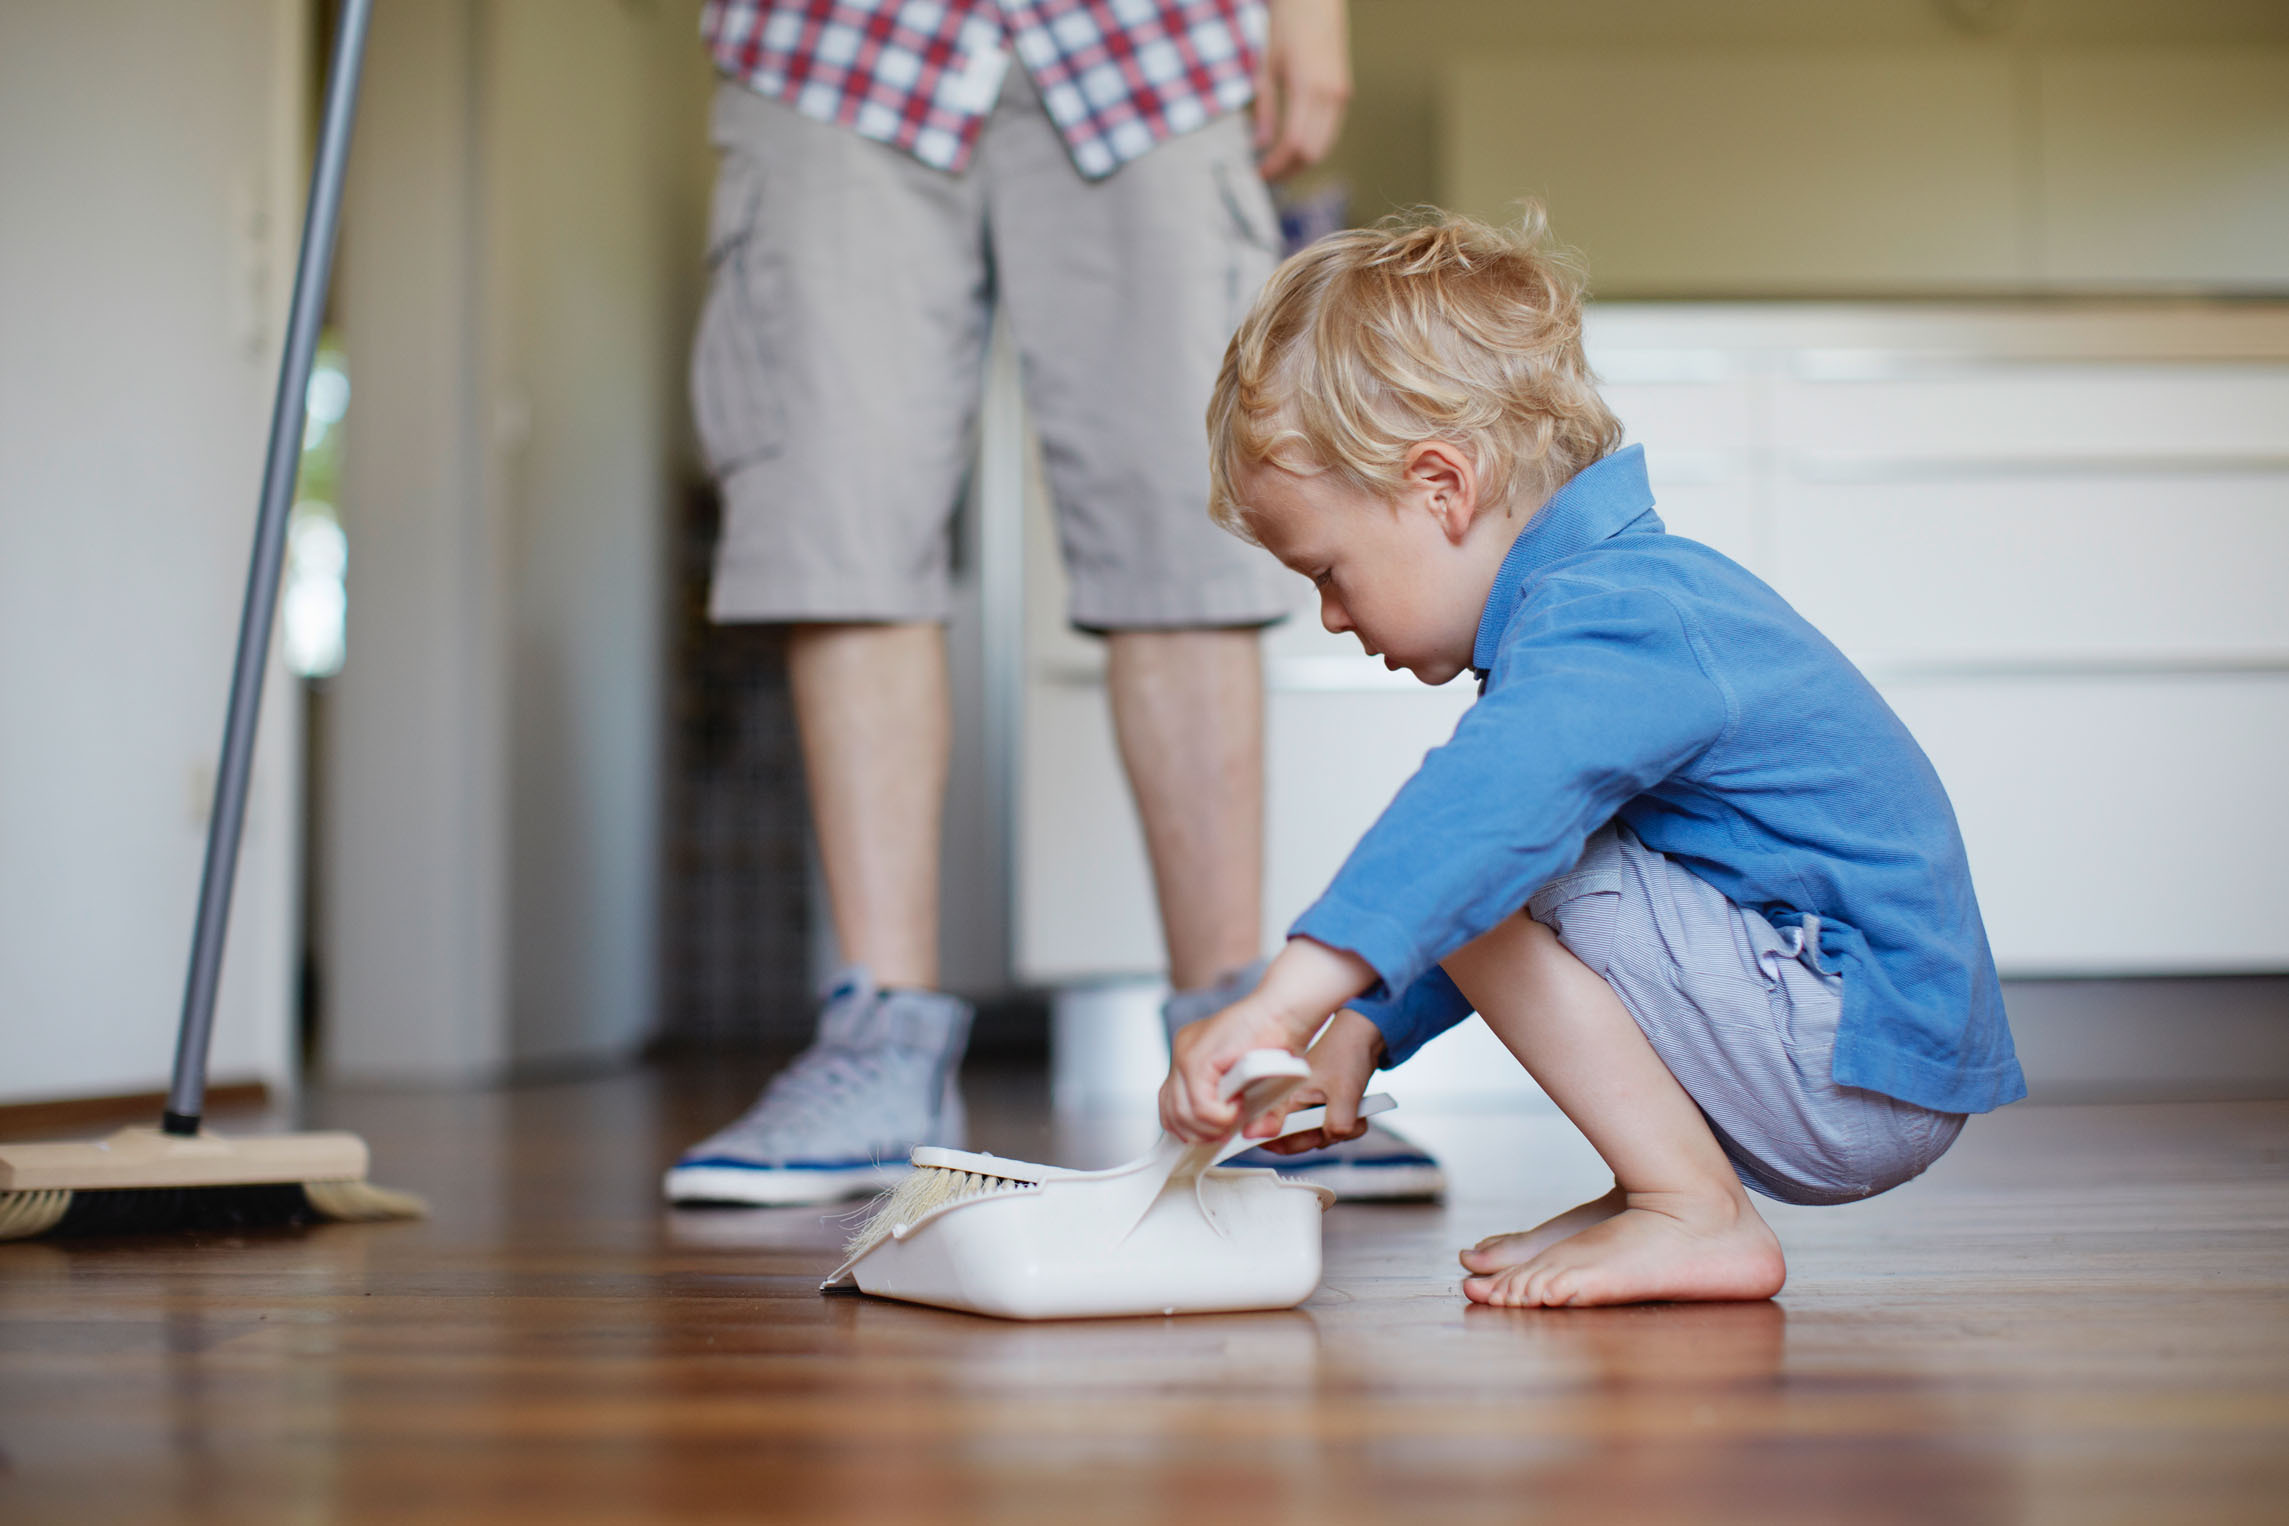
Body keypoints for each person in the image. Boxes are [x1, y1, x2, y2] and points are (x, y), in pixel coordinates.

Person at [1161, 208, 2027, 1305]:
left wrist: (1282, 1002)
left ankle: (1690, 1208)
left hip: (1848, 1056)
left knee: (1491, 847)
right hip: (1848, 1041)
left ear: (1443, 487)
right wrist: (1368, 1025)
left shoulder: (1616, 614)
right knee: (1512, 846)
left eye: (1328, 569)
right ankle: (1665, 1189)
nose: (1329, 614)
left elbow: (1483, 828)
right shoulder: (1619, 601)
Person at [666, 0, 1445, 1206]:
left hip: (1152, 39)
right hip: (827, 41)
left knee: (1196, 517)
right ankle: (878, 1049)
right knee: (842, 517)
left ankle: (1238, 1043)